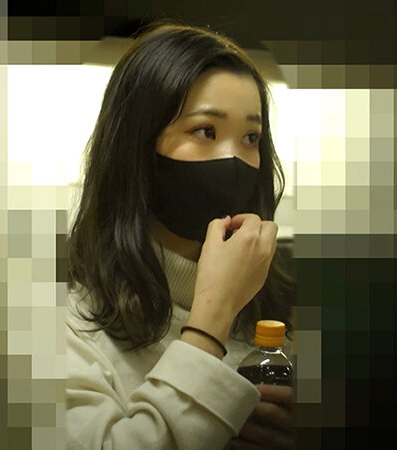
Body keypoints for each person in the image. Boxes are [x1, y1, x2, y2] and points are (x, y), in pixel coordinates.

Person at [65, 22, 296, 450]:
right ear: (137, 148)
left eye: (251, 137)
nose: (234, 159)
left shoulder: (274, 319)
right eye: (206, 131)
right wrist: (212, 318)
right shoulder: (66, 330)